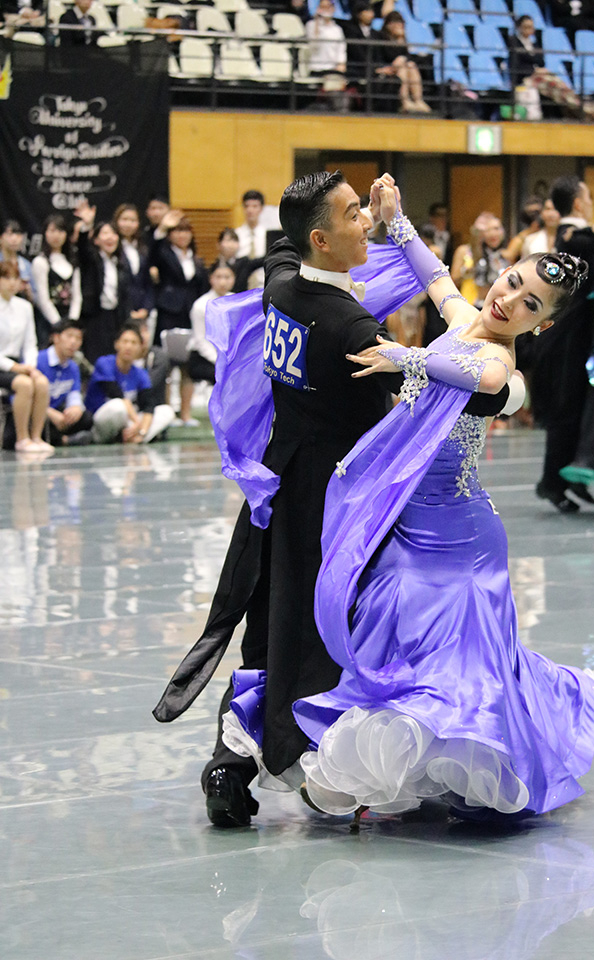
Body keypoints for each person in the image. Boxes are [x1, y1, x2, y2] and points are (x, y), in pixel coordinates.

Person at [152, 170, 513, 827]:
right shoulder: (349, 328)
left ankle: (231, 763)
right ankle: (326, 766)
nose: (365, 225)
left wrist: (389, 220)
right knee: (328, 638)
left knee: (268, 629)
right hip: (333, 507)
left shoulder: (283, 286)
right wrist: (502, 381)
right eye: (353, 216)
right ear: (323, 237)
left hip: (276, 487)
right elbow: (476, 388)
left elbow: (278, 250)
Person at [532, 175, 594, 512]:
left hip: (582, 337)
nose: (591, 201)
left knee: (579, 408)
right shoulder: (573, 237)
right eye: (588, 196)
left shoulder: (576, 236)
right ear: (578, 203)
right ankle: (551, 483)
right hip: (567, 340)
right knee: (565, 409)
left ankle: (570, 477)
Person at [147, 209, 209, 425]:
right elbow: (152, 251)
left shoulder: (196, 259)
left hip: (190, 315)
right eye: (177, 232)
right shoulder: (163, 253)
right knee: (167, 364)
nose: (182, 236)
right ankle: (167, 413)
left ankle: (185, 413)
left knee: (187, 366)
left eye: (186, 232)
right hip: (168, 313)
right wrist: (162, 228)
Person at [84, 323, 174, 444]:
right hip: (101, 421)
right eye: (125, 341)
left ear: (141, 347)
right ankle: (121, 437)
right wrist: (137, 422)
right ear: (116, 344)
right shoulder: (104, 363)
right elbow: (118, 395)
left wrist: (142, 430)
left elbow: (148, 405)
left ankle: (136, 438)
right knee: (118, 406)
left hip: (128, 421)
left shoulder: (140, 373)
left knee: (166, 411)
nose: (129, 347)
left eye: (134, 343)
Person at [0, 261, 53, 453]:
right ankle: (21, 438)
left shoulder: (24, 307)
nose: (12, 283)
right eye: (6, 278)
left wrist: (30, 366)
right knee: (24, 385)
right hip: (4, 365)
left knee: (42, 383)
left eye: (16, 278)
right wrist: (14, 367)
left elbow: (31, 343)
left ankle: (36, 437)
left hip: (20, 365)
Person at [74, 201, 132, 365]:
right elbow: (83, 249)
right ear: (96, 240)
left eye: (113, 234)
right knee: (95, 360)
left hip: (116, 318)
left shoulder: (121, 263)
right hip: (95, 317)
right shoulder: (92, 261)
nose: (110, 238)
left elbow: (125, 294)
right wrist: (87, 225)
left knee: (114, 359)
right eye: (104, 234)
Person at [36, 319, 94, 446]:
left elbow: (74, 393)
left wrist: (75, 408)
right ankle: (64, 440)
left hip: (60, 414)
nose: (73, 342)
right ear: (56, 338)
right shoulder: (38, 360)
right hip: (40, 412)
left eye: (78, 338)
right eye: (69, 336)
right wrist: (50, 413)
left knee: (86, 418)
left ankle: (61, 439)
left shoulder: (73, 367)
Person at [31, 214, 82, 345]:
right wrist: (59, 325)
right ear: (45, 234)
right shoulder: (40, 262)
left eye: (60, 231)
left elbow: (77, 296)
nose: (56, 235)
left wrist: (71, 323)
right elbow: (43, 299)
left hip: (69, 322)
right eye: (52, 231)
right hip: (48, 322)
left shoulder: (72, 262)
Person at [187, 261, 235, 386]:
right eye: (218, 277)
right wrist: (219, 361)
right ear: (211, 279)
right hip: (204, 358)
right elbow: (201, 341)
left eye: (227, 277)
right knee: (227, 377)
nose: (223, 282)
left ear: (233, 279)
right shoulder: (200, 305)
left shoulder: (238, 302)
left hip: (229, 356)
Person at [375, 11, 430, 114]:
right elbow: (386, 56)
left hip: (399, 67)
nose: (399, 26)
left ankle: (418, 100)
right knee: (403, 68)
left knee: (411, 65)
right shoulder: (380, 38)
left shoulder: (402, 39)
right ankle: (404, 101)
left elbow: (407, 56)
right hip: (387, 68)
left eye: (400, 23)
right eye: (395, 23)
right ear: (388, 25)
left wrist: (401, 43)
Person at [113, 204, 154, 324]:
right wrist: (128, 310)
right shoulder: (113, 248)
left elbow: (147, 282)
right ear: (117, 221)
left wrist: (146, 308)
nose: (128, 224)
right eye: (124, 220)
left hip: (142, 311)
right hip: (120, 311)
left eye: (133, 220)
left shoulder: (142, 248)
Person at [216, 228, 265, 293]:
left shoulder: (244, 263)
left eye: (234, 241)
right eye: (228, 240)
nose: (231, 245)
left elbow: (263, 260)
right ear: (219, 244)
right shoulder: (215, 266)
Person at [0, 219, 34, 302]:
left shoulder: (26, 265)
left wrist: (28, 291)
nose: (14, 239)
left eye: (18, 234)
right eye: (10, 234)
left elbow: (35, 295)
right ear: (1, 238)